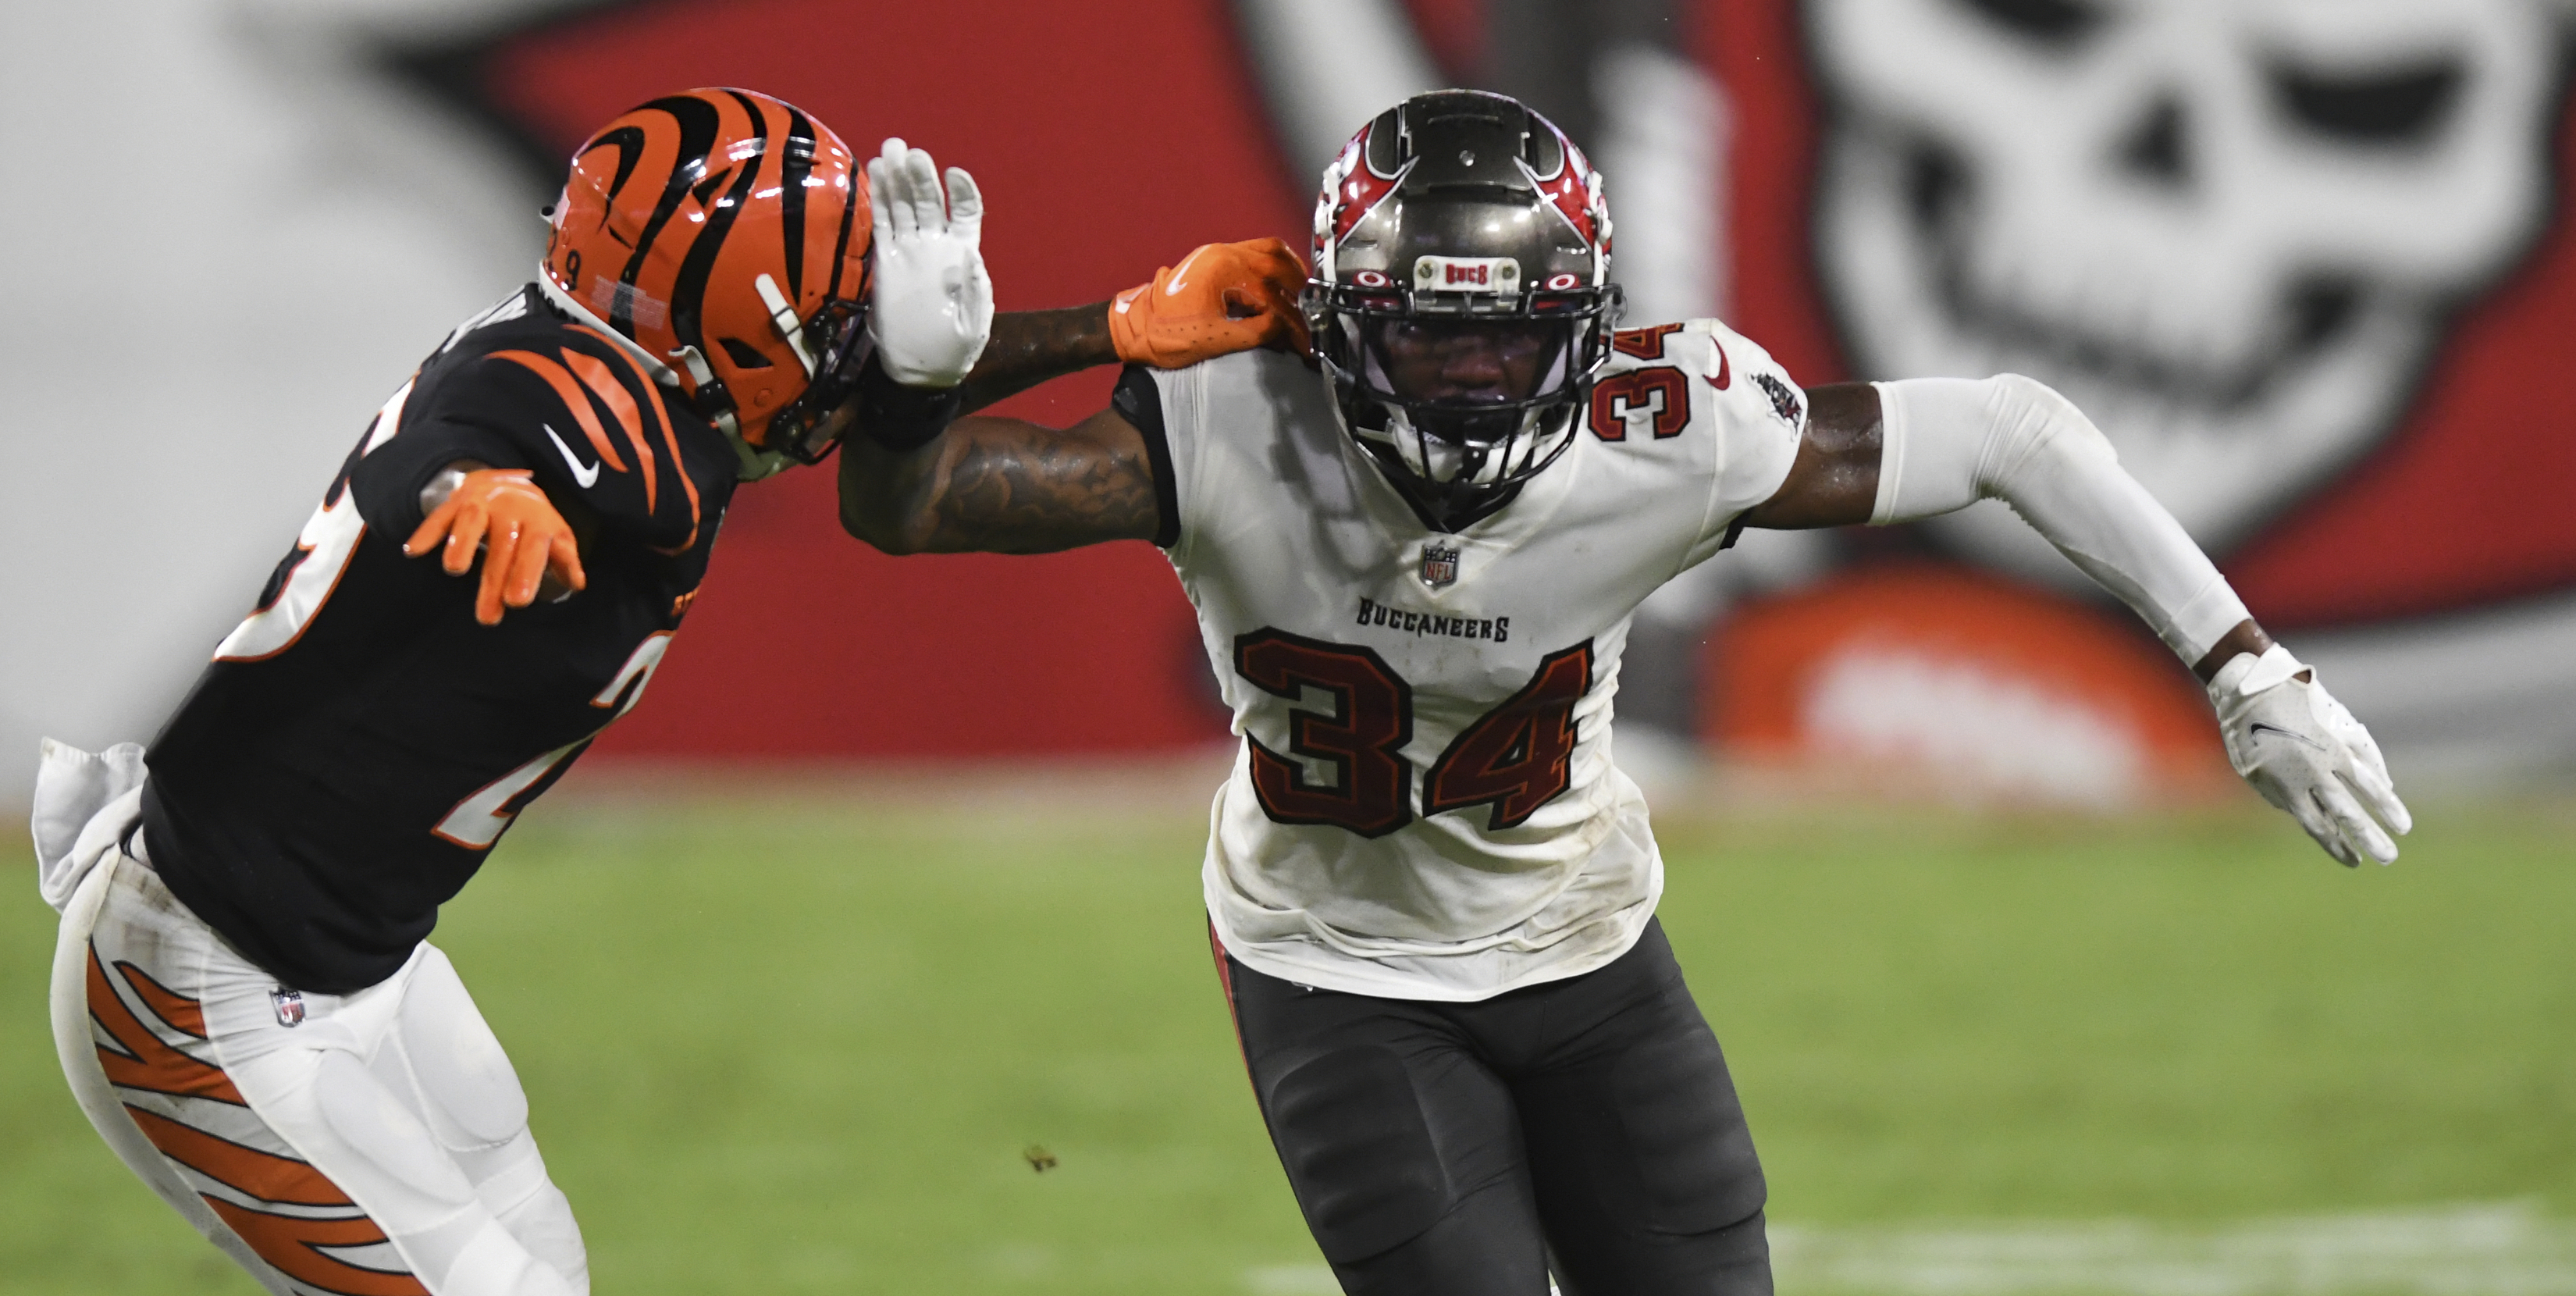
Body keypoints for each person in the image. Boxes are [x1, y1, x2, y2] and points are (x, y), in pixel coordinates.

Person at [835, 89, 2414, 1295]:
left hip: (1591, 951)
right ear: (1327, 320)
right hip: (1342, 973)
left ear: (1586, 334)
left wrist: (2244, 665)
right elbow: (901, 510)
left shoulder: (1679, 424)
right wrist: (945, 365)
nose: (1468, 387)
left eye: (1504, 343)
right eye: (1426, 337)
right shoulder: (1228, 417)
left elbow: (2014, 428)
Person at [31, 87, 1301, 1296]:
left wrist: (1120, 326)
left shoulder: (643, 382)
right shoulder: (559, 414)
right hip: (197, 989)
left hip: (350, 965)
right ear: (737, 332)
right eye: (834, 321)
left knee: (544, 1269)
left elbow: (842, 412)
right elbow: (464, 445)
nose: (852, 351)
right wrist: (477, 492)